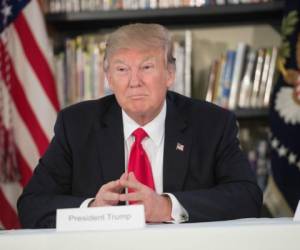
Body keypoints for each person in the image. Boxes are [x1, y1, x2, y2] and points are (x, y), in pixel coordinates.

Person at [17, 23, 262, 228]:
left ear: (170, 73)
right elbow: (31, 206)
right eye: (122, 69)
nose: (134, 82)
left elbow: (248, 197)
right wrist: (91, 209)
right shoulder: (76, 126)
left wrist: (166, 207)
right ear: (109, 78)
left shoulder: (212, 123)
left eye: (146, 67)